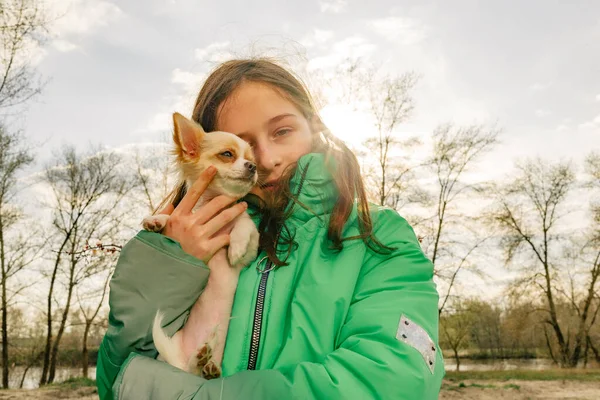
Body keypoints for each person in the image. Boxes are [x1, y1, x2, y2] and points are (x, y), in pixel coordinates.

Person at [96, 58, 444, 399]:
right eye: (234, 149)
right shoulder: (176, 243)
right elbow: (120, 380)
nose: (264, 160)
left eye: (282, 131)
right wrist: (172, 263)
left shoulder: (378, 234)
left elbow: (395, 380)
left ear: (315, 129)